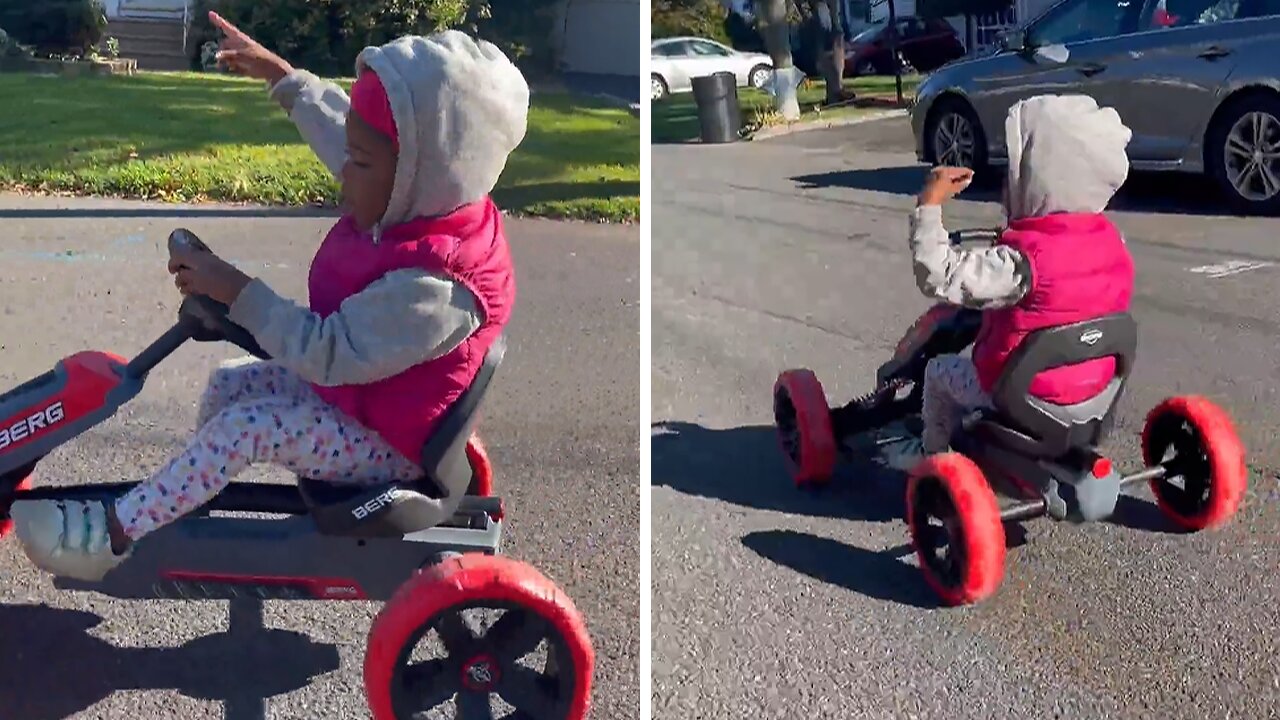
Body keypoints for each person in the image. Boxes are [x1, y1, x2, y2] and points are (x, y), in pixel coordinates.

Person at [10, 13, 529, 581]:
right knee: (230, 383)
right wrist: (283, 78)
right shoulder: (415, 198)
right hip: (371, 394)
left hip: (389, 442)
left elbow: (326, 353)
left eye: (357, 165)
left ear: (422, 175)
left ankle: (115, 534)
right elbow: (346, 134)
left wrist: (236, 292)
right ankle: (186, 499)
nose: (342, 175)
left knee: (247, 426)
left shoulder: (436, 288)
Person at [882, 93, 1136, 471]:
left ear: (1039, 182)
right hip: (1094, 392)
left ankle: (931, 456)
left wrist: (929, 205)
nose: (1006, 184)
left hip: (1021, 396)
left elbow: (939, 276)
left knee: (938, 371)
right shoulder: (1112, 242)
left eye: (1014, 175)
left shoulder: (1019, 265)